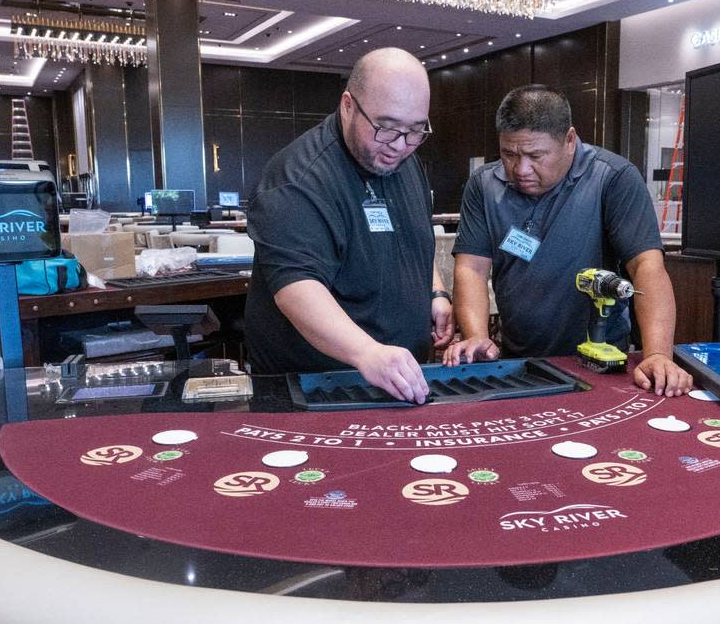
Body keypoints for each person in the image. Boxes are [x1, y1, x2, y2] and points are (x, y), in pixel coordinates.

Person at [443, 84, 692, 397]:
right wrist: (477, 336)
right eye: (509, 154)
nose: (521, 169)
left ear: (570, 141)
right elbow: (471, 269)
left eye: (536, 155)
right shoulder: (484, 185)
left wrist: (658, 354)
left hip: (599, 361)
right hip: (518, 358)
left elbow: (647, 266)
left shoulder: (613, 177)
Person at [244, 48, 454, 403]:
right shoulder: (299, 178)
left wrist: (435, 290)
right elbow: (297, 289)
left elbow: (414, 238)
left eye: (416, 130)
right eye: (386, 128)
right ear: (348, 105)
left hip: (397, 376)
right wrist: (366, 352)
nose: (400, 146)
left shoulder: (404, 160)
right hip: (316, 386)